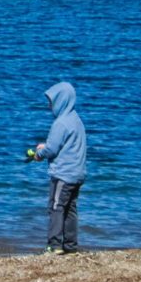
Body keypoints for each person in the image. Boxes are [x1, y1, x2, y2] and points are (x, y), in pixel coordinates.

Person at [24, 80, 88, 254]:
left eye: (52, 102)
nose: (49, 106)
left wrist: (38, 154)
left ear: (62, 101)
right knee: (70, 209)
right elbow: (66, 145)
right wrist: (45, 147)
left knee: (56, 207)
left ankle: (54, 245)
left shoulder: (60, 123)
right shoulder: (76, 120)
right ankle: (70, 245)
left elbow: (52, 149)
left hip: (63, 175)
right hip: (77, 174)